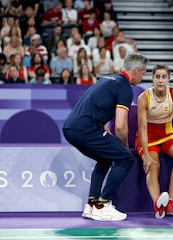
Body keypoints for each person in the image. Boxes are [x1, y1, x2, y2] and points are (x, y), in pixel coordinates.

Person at [62, 53, 149, 221]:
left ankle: (92, 205)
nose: (142, 78)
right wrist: (123, 147)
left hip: (70, 128)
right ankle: (103, 204)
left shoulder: (106, 79)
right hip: (86, 129)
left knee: (105, 158)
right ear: (137, 71)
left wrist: (112, 143)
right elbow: (120, 126)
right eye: (144, 73)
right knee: (125, 159)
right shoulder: (124, 87)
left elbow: (101, 117)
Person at [135, 64, 173, 219]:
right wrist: (145, 154)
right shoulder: (143, 98)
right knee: (153, 164)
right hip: (148, 137)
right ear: (152, 78)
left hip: (167, 134)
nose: (160, 80)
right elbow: (143, 128)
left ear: (168, 79)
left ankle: (170, 201)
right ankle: (158, 204)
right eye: (157, 77)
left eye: (163, 77)